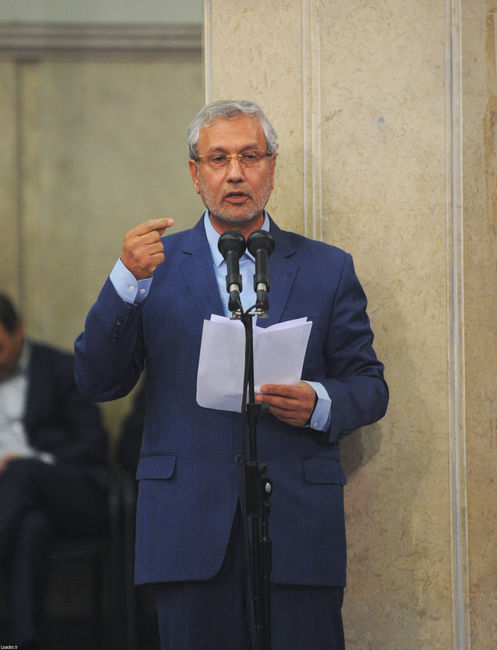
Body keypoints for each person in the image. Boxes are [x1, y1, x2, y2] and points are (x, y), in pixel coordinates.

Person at [74, 99, 389, 650]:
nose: (236, 173)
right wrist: (124, 281)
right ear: (195, 173)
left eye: (250, 156)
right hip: (187, 525)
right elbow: (97, 381)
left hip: (296, 523)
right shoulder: (153, 268)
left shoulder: (327, 267)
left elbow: (368, 384)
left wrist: (319, 403)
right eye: (218, 158)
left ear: (272, 167)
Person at [0, 293, 109, 649]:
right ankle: (23, 641)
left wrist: (34, 463)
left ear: (18, 331)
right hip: (15, 507)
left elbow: (92, 444)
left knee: (21, 473)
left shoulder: (61, 369)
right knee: (31, 525)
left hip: (68, 492)